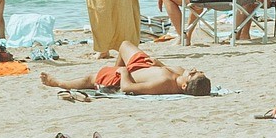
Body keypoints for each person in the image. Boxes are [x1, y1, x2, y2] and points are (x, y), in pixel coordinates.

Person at [39, 40, 212, 96]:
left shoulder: (165, 83)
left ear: (184, 86)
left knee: (90, 79)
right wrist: (160, 64)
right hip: (143, 65)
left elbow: (128, 88)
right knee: (124, 44)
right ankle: (110, 70)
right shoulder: (178, 75)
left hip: (128, 74)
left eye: (194, 74)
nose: (194, 69)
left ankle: (59, 83)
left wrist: (122, 73)